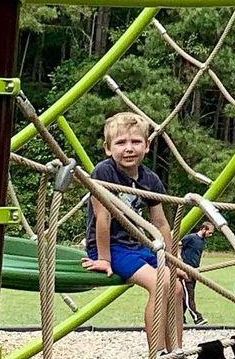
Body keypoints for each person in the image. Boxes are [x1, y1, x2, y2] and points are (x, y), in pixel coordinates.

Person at [82, 112, 183, 352]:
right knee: (160, 285)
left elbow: (160, 224)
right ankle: (157, 353)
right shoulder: (103, 173)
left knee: (177, 288)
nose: (129, 148)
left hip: (137, 247)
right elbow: (102, 219)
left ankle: (176, 350)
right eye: (120, 143)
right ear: (108, 148)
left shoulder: (150, 179)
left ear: (147, 146)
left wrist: (173, 261)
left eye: (136, 142)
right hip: (111, 247)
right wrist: (103, 259)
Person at [180, 220, 216, 325]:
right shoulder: (191, 238)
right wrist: (180, 261)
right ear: (204, 229)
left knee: (185, 297)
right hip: (186, 271)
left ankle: (180, 319)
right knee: (189, 296)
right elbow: (177, 244)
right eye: (210, 232)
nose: (211, 234)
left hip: (195, 271)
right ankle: (197, 318)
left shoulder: (202, 241)